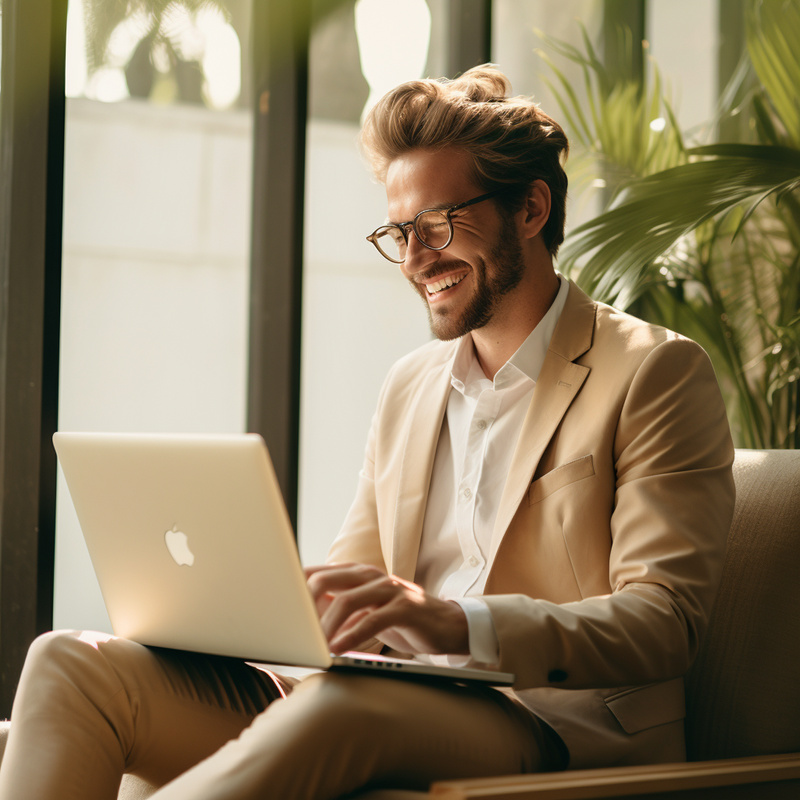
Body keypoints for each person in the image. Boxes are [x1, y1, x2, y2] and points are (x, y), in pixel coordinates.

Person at [0, 65, 735, 800]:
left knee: (343, 706)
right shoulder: (410, 385)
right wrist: (255, 618)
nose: (416, 260)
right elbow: (350, 587)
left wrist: (453, 622)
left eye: (439, 225)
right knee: (71, 662)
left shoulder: (653, 372)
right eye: (399, 233)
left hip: (552, 727)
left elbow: (662, 620)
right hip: (370, 696)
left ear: (532, 209)